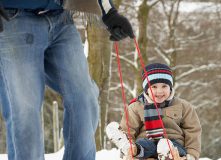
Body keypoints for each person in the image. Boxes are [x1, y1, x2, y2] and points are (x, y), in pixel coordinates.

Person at [0, 0, 134, 160]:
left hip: (61, 19)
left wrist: (109, 13)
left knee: (85, 98)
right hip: (13, 19)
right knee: (25, 111)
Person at [107, 63, 202, 160]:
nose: (159, 91)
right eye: (154, 87)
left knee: (170, 147)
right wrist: (129, 154)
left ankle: (167, 154)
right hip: (147, 147)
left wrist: (191, 155)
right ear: (147, 89)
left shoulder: (183, 106)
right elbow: (129, 129)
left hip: (175, 148)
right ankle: (130, 148)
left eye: (164, 86)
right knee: (142, 145)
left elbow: (193, 132)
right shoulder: (136, 107)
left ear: (171, 87)